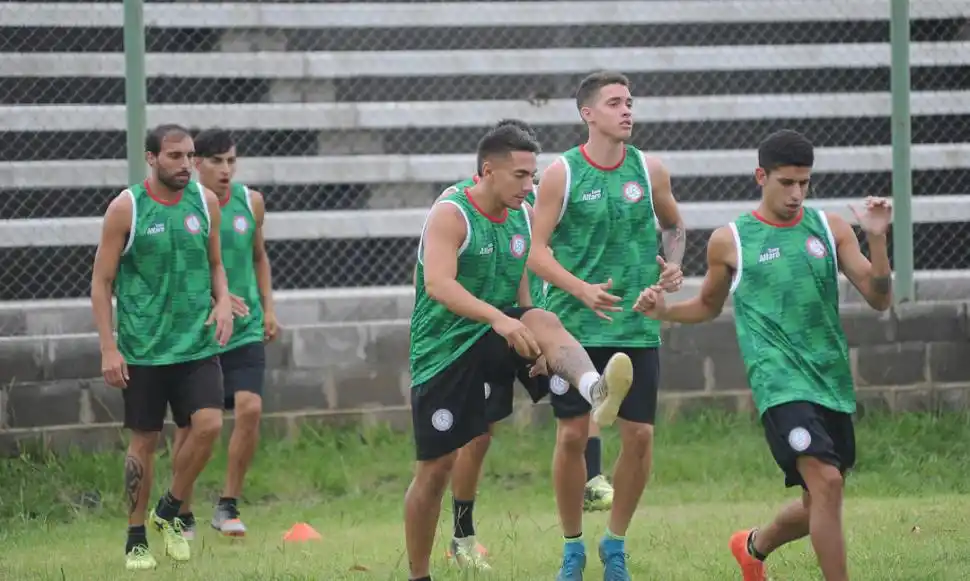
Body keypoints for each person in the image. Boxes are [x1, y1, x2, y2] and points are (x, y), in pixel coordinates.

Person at [633, 129, 893, 581]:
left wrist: (877, 241)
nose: (796, 194)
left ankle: (752, 545)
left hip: (830, 381)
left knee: (821, 498)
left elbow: (879, 297)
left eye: (804, 183)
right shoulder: (731, 240)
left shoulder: (829, 229)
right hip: (778, 384)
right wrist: (666, 312)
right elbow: (709, 305)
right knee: (827, 483)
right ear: (761, 177)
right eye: (786, 183)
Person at [404, 123, 634, 581]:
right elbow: (438, 284)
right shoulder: (451, 213)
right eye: (521, 176)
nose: (530, 186)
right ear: (488, 171)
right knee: (436, 468)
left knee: (543, 320)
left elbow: (522, 288)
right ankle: (420, 574)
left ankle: (595, 389)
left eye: (533, 175)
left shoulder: (522, 215)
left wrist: (534, 337)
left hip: (493, 332)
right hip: (444, 350)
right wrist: (501, 319)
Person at [527, 71, 686, 580]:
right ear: (588, 114)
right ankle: (572, 547)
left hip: (635, 326)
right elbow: (534, 252)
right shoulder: (562, 173)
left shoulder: (649, 169)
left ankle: (614, 545)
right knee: (573, 436)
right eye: (615, 102)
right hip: (573, 328)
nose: (627, 110)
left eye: (629, 101)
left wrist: (671, 268)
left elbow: (674, 225)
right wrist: (580, 289)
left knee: (639, 437)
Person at [90, 124, 234, 571]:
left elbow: (215, 263)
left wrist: (223, 301)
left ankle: (169, 508)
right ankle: (136, 538)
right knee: (145, 441)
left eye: (189, 156)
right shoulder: (127, 208)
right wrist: (109, 348)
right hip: (144, 349)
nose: (185, 164)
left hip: (196, 343)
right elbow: (101, 282)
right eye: (175, 156)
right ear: (151, 158)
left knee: (209, 425)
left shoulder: (205, 203)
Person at [171, 128, 279, 540]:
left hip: (245, 326)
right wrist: (213, 298)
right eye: (216, 161)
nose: (225, 170)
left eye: (231, 161)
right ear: (196, 164)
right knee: (193, 426)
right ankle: (180, 510)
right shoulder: (183, 207)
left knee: (250, 408)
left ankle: (228, 505)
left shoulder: (252, 202)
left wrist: (268, 308)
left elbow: (259, 256)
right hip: (199, 331)